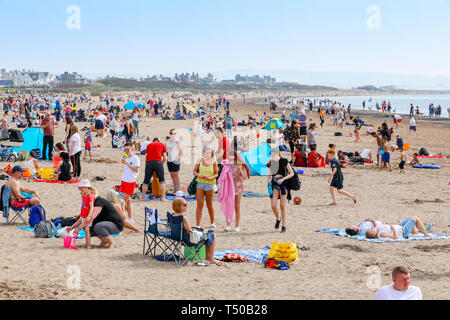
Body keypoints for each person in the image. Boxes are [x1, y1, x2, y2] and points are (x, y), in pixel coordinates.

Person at [171, 198, 226, 266]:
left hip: (177, 238)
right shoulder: (182, 217)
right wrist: (197, 231)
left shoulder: (172, 215)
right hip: (188, 240)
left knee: (207, 234)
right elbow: (190, 233)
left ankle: (208, 258)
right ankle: (210, 258)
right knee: (211, 234)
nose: (186, 206)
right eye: (185, 205)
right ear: (178, 206)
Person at [267, 147, 294, 233]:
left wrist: (283, 179)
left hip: (283, 184)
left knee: (282, 206)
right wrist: (268, 180)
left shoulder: (284, 161)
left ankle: (284, 226)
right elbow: (269, 174)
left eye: (274, 154)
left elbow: (292, 173)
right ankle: (278, 218)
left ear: (278, 154)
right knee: (273, 205)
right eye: (271, 154)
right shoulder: (271, 162)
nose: (273, 156)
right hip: (274, 184)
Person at [224, 150, 250, 232]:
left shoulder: (239, 164)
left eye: (231, 156)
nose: (229, 158)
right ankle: (228, 225)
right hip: (229, 186)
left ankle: (237, 226)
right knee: (229, 207)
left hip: (238, 187)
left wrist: (240, 168)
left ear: (235, 157)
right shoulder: (227, 165)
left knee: (237, 207)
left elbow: (245, 177)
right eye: (229, 156)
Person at [193, 146, 218, 228]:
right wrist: (199, 175)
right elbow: (194, 171)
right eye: (206, 152)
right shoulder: (199, 160)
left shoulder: (214, 162)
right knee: (199, 204)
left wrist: (211, 178)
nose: (208, 154)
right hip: (200, 184)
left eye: (210, 153)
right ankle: (198, 225)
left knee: (209, 204)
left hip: (210, 184)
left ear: (212, 154)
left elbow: (216, 174)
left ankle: (212, 222)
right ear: (203, 153)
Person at [67, 180, 96, 249]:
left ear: (87, 187)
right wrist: (72, 227)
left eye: (81, 188)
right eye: (79, 189)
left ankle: (88, 245)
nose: (80, 190)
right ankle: (87, 245)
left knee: (86, 230)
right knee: (85, 230)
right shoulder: (84, 195)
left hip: (88, 216)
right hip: (83, 215)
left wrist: (89, 216)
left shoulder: (90, 196)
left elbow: (92, 207)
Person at [365, 216, 434, 240]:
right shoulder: (382, 234)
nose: (371, 228)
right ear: (374, 234)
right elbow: (395, 237)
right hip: (403, 231)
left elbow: (375, 224)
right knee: (415, 218)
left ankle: (416, 231)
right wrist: (392, 228)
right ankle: (426, 234)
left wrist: (371, 220)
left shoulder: (377, 229)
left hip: (399, 226)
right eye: (371, 229)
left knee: (410, 217)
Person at [120, 143, 140, 223]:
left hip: (131, 181)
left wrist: (127, 163)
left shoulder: (135, 158)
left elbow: (136, 170)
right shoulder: (127, 158)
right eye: (125, 150)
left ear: (132, 149)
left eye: (127, 149)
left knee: (123, 201)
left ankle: (123, 219)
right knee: (128, 201)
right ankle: (130, 218)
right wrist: (125, 162)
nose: (126, 151)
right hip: (124, 180)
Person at [166, 129, 182, 193]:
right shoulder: (167, 142)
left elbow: (180, 151)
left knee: (176, 176)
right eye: (172, 133)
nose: (173, 135)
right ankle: (174, 190)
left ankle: (177, 190)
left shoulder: (177, 141)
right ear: (170, 134)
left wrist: (176, 158)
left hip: (175, 160)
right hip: (169, 160)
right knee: (172, 176)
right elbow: (165, 151)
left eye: (174, 133)